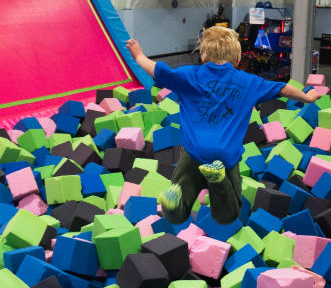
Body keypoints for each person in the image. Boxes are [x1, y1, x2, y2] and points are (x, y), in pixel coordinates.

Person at [125, 26, 317, 224]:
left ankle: (173, 200)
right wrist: (307, 97)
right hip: (225, 155)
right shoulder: (248, 82)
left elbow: (158, 70)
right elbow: (282, 88)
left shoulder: (190, 75)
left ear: (204, 55)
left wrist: (138, 55)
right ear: (237, 59)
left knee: (177, 214)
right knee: (227, 215)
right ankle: (218, 180)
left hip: (193, 152)